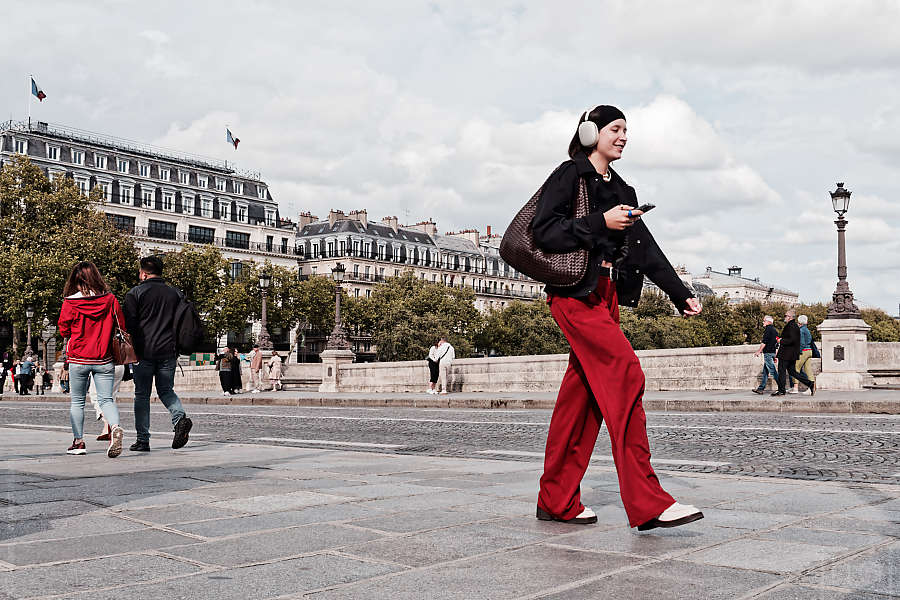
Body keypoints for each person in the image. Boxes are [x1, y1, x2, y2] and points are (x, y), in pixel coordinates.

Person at [530, 105, 704, 530]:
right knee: (626, 374)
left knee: (582, 399)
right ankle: (648, 502)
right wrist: (598, 222)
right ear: (591, 132)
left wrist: (680, 293)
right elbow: (543, 231)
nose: (623, 136)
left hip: (606, 296)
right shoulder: (570, 176)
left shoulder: (623, 188)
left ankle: (556, 499)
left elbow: (643, 247)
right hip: (574, 296)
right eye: (615, 128)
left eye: (627, 130)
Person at [124, 255, 193, 452]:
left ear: (143, 274)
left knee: (142, 395)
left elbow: (129, 326)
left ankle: (143, 440)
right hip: (168, 351)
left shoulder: (135, 293)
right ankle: (179, 418)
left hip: (143, 352)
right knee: (166, 390)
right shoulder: (175, 293)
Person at [57, 261, 125, 458]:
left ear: (76, 281)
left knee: (77, 402)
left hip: (78, 358)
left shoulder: (70, 302)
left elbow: (64, 330)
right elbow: (121, 324)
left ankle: (78, 442)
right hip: (104, 358)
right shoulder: (110, 299)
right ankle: (115, 427)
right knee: (106, 399)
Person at [773, 309, 815, 397]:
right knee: (793, 372)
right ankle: (810, 383)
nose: (784, 317)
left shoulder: (790, 326)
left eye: (786, 316)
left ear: (790, 317)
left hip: (786, 353)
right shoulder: (794, 326)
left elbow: (791, 340)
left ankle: (781, 390)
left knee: (782, 370)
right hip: (791, 354)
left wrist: (781, 340)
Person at [91, 364, 127, 441]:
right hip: (119, 366)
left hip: (103, 364)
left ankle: (113, 425)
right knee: (111, 398)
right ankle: (107, 429)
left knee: (96, 396)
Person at [752, 316, 779, 394]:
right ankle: (761, 388)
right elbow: (777, 344)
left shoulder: (768, 329)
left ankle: (781, 386)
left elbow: (764, 342)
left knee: (773, 371)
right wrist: (775, 355)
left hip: (768, 353)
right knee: (765, 372)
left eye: (764, 321)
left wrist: (759, 351)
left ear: (768, 322)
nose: (763, 322)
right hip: (773, 353)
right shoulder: (775, 331)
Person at [793, 314, 816, 395]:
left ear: (800, 322)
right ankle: (812, 388)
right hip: (809, 351)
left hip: (804, 351)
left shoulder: (801, 330)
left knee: (795, 368)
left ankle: (795, 388)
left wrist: (797, 351)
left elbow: (802, 343)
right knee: (808, 370)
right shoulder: (807, 330)